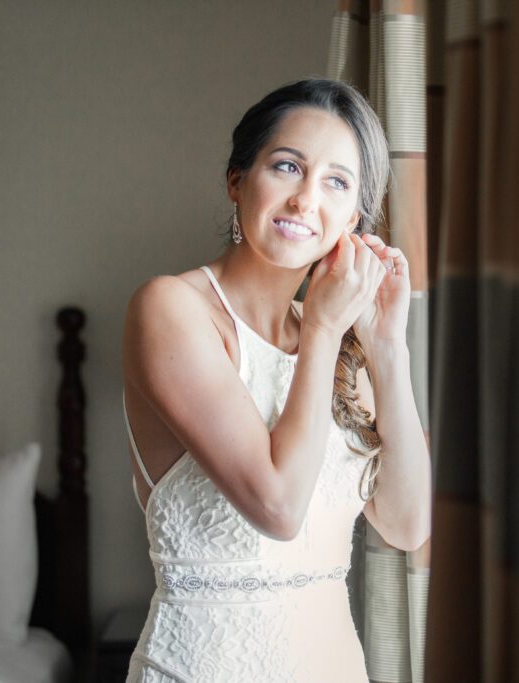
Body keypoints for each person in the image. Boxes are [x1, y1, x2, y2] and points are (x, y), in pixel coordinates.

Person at [120, 79, 431, 682]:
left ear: (355, 217)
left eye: (336, 182)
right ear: (238, 180)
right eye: (288, 166)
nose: (305, 200)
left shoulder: (340, 342)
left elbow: (407, 523)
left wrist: (387, 348)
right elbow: (279, 507)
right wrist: (320, 327)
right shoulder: (170, 309)